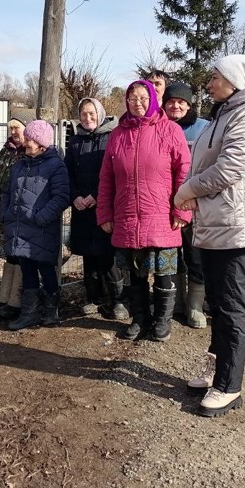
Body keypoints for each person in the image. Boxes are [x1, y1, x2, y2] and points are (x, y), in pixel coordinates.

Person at [174, 54, 245, 417]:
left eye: (215, 77)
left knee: (233, 305)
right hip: (218, 220)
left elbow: (229, 169)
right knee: (218, 303)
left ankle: (229, 385)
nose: (209, 83)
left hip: (235, 223)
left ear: (234, 79)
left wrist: (188, 190)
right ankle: (216, 370)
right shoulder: (229, 111)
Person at [98, 80, 191, 342]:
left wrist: (182, 210)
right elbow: (107, 178)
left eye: (143, 98)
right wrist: (104, 213)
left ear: (153, 99)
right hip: (126, 215)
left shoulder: (170, 130)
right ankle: (140, 319)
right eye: (131, 98)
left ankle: (162, 322)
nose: (137, 103)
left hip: (161, 215)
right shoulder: (118, 134)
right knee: (133, 274)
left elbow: (184, 172)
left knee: (164, 272)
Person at [0, 120, 70, 330]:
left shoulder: (56, 166)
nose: (26, 142)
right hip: (20, 227)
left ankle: (50, 312)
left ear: (41, 143)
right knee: (27, 269)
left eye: (30, 139)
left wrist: (41, 217)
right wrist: (5, 214)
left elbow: (61, 197)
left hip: (41, 229)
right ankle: (28, 313)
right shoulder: (19, 165)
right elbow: (6, 192)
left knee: (46, 269)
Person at [65, 98, 124, 318]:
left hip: (104, 205)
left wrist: (98, 197)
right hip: (82, 207)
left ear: (100, 114)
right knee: (88, 255)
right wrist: (75, 197)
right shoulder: (76, 141)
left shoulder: (112, 137)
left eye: (91, 114)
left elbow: (116, 172)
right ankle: (93, 298)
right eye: (83, 114)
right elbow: (67, 173)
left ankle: (118, 300)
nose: (87, 118)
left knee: (106, 254)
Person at [162, 82, 210, 328]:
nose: (176, 105)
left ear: (189, 105)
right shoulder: (159, 127)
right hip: (163, 202)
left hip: (194, 202)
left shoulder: (203, 129)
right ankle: (175, 301)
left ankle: (194, 305)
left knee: (195, 254)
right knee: (170, 255)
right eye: (171, 101)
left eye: (181, 101)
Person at [0, 112, 32, 320]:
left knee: (20, 255)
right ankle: (4, 298)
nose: (13, 132)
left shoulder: (29, 153)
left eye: (17, 128)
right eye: (11, 128)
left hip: (19, 216)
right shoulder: (5, 152)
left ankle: (16, 301)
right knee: (9, 254)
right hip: (1, 213)